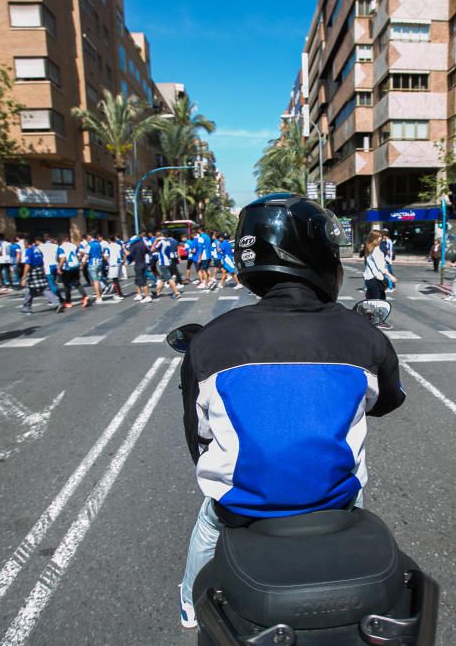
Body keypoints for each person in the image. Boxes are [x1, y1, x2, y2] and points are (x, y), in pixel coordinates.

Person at [177, 195, 405, 629]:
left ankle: (191, 601)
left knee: (209, 519)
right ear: (318, 256)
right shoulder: (363, 335)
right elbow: (388, 401)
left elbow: (198, 437)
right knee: (355, 486)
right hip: (335, 501)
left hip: (241, 508)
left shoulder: (211, 341)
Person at [20, 235, 64, 314]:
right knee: (44, 288)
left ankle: (27, 306)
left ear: (26, 243)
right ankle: (56, 302)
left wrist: (24, 277)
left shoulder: (29, 251)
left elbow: (27, 264)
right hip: (40, 269)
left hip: (33, 270)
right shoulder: (37, 249)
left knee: (29, 288)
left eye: (24, 243)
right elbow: (42, 259)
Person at [363, 230, 395, 306]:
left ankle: (368, 316)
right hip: (376, 280)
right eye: (380, 236)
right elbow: (380, 267)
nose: (382, 238)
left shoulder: (369, 248)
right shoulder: (376, 249)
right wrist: (391, 276)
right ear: (376, 238)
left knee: (372, 302)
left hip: (369, 279)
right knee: (379, 302)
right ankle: (372, 317)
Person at [57, 235, 89, 308]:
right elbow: (80, 254)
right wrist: (79, 261)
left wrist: (59, 267)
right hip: (75, 266)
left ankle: (68, 302)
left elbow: (63, 258)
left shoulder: (61, 247)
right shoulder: (73, 245)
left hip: (67, 268)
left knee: (66, 285)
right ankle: (84, 296)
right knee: (77, 282)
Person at [153, 231, 182, 300]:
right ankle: (157, 292)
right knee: (163, 278)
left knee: (169, 278)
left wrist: (155, 241)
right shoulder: (168, 242)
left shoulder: (161, 242)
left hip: (163, 262)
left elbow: (153, 249)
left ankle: (177, 292)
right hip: (169, 261)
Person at [380, 228, 395, 292]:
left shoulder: (389, 241)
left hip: (387, 259)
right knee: (387, 273)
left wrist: (390, 259)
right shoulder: (383, 241)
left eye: (383, 233)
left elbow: (390, 251)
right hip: (384, 258)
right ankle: (389, 286)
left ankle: (392, 286)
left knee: (389, 273)